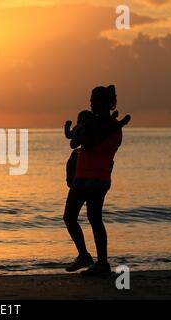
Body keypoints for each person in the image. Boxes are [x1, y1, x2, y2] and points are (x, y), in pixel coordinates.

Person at [63, 85, 131, 276]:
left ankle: (102, 264)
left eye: (95, 100)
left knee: (94, 219)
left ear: (106, 103)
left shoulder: (113, 129)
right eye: (91, 100)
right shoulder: (92, 123)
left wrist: (85, 135)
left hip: (97, 178)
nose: (91, 104)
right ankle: (84, 255)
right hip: (82, 177)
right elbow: (76, 143)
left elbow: (96, 145)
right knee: (69, 217)